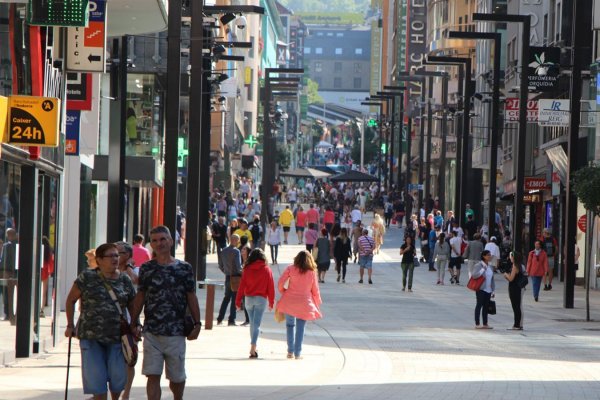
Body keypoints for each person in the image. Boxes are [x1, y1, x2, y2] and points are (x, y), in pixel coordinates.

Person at [129, 226, 201, 400]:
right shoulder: (146, 268)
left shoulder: (184, 268)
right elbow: (141, 296)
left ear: (171, 241)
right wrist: (133, 321)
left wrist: (197, 324)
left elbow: (191, 296)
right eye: (154, 240)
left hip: (176, 332)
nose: (159, 243)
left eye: (162, 239)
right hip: (152, 331)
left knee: (177, 378)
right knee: (152, 375)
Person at [65, 243, 137, 400]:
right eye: (110, 256)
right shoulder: (87, 277)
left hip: (118, 337)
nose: (115, 259)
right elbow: (70, 300)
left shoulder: (124, 279)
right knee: (96, 378)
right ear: (99, 260)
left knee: (118, 378)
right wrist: (70, 324)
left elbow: (133, 304)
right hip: (91, 336)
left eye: (117, 255)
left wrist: (135, 325)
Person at [276, 250, 322, 359]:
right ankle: (297, 353)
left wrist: (283, 291)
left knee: (290, 325)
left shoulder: (290, 268)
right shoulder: (311, 272)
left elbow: (280, 283)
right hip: (304, 303)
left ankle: (290, 351)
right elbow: (315, 289)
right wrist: (317, 301)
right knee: (300, 327)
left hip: (289, 301)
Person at [235, 248, 275, 359]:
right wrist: (271, 301)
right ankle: (253, 346)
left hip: (248, 298)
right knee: (256, 324)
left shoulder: (247, 269)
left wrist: (238, 301)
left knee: (252, 324)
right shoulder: (266, 269)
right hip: (261, 299)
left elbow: (242, 286)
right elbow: (270, 286)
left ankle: (254, 346)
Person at [115, 241, 139, 400]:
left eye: (120, 253)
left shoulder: (134, 271)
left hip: (129, 322)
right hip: (110, 323)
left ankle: (127, 394)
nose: (115, 256)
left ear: (128, 255)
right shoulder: (106, 271)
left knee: (129, 359)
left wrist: (129, 267)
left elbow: (135, 280)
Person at [217, 234, 242, 325]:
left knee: (226, 298)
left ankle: (220, 318)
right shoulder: (236, 251)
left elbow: (220, 265)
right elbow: (238, 267)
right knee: (234, 299)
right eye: (238, 241)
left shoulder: (223, 251)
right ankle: (231, 320)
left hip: (227, 277)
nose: (238, 242)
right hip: (236, 277)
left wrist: (226, 272)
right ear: (235, 241)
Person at [472, 250, 495, 329]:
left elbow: (492, 279)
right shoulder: (478, 265)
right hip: (481, 289)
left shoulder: (490, 266)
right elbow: (474, 275)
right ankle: (477, 323)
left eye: (490, 255)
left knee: (486, 306)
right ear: (483, 256)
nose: (490, 256)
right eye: (488, 255)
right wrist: (482, 270)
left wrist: (493, 290)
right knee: (479, 305)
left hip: (488, 289)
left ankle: (485, 323)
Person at [503, 251, 525, 330]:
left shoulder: (515, 266)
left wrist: (506, 275)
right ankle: (518, 324)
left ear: (514, 258)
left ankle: (516, 325)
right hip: (517, 288)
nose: (510, 258)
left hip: (514, 288)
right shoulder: (520, 265)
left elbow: (511, 278)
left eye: (511, 257)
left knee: (516, 307)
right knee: (517, 306)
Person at [40, 236, 55, 312]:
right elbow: (51, 263)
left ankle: (37, 307)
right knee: (44, 292)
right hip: (45, 272)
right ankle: (42, 309)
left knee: (37, 290)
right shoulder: (49, 252)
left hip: (39, 271)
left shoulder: (38, 250)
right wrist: (50, 272)